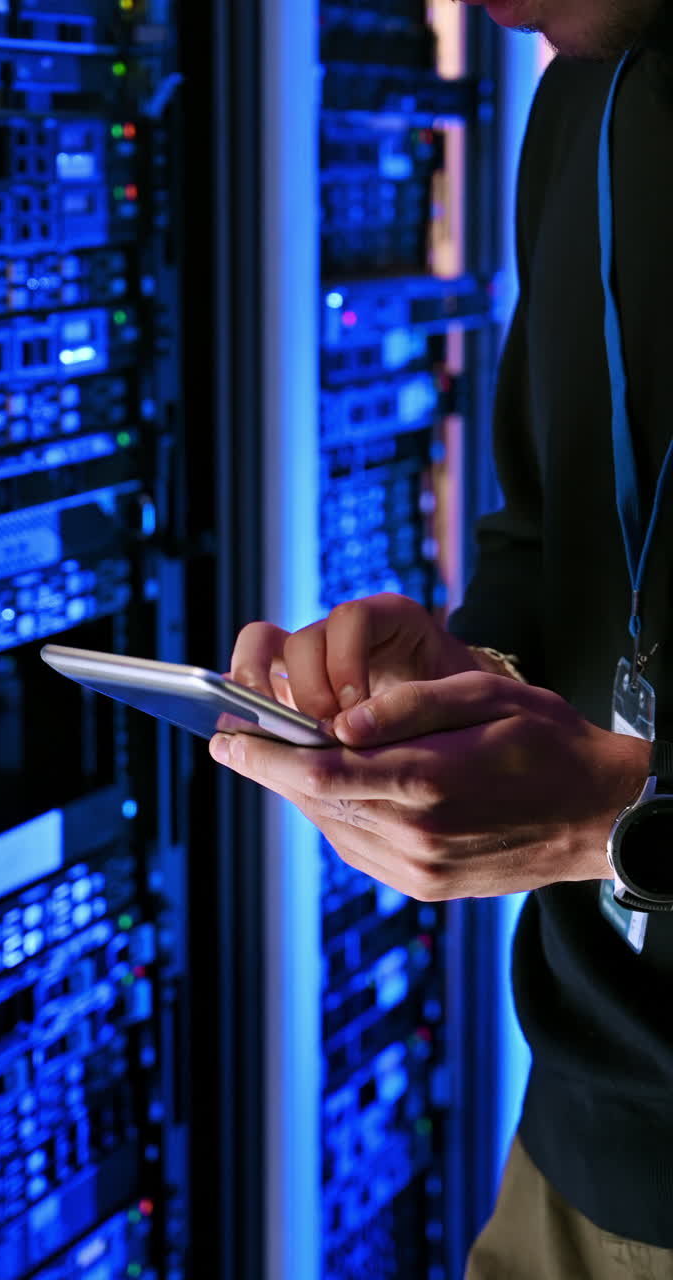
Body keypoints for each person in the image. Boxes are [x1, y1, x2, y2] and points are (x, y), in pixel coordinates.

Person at [210, 0, 673, 1274]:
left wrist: (612, 822)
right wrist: (476, 685)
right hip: (579, 1145)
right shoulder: (589, 93)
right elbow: (548, 538)